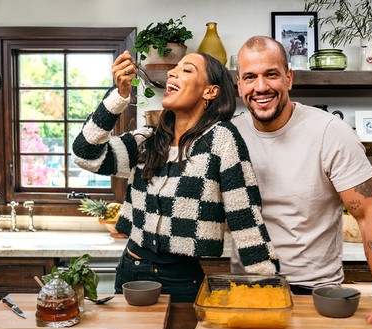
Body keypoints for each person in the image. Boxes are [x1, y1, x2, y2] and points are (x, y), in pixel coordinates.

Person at [72, 50, 279, 302]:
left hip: (180, 279)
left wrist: (269, 289)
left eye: (187, 69)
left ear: (210, 91)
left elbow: (245, 217)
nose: (172, 72)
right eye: (174, 68)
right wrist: (119, 96)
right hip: (130, 271)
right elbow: (85, 154)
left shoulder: (221, 139)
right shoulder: (147, 140)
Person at [231, 35, 372, 329]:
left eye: (271, 74)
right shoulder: (229, 136)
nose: (260, 87)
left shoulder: (329, 133)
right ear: (239, 85)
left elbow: (370, 214)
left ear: (288, 78)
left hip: (315, 293)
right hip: (246, 290)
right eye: (250, 77)